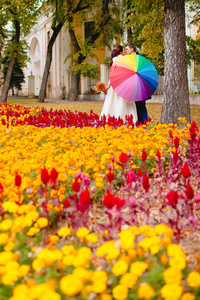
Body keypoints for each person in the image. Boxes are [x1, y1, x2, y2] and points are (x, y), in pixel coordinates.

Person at [100, 45, 138, 123]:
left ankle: (113, 119)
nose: (125, 52)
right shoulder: (124, 59)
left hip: (115, 85)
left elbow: (112, 75)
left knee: (113, 103)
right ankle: (127, 120)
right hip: (124, 84)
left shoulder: (114, 61)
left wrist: (108, 86)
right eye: (124, 50)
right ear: (120, 52)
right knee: (124, 103)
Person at [125, 43, 150, 124]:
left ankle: (144, 122)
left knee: (141, 104)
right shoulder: (127, 59)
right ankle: (138, 122)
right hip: (132, 84)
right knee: (134, 105)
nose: (126, 50)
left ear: (132, 49)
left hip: (141, 84)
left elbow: (146, 69)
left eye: (127, 49)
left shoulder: (142, 57)